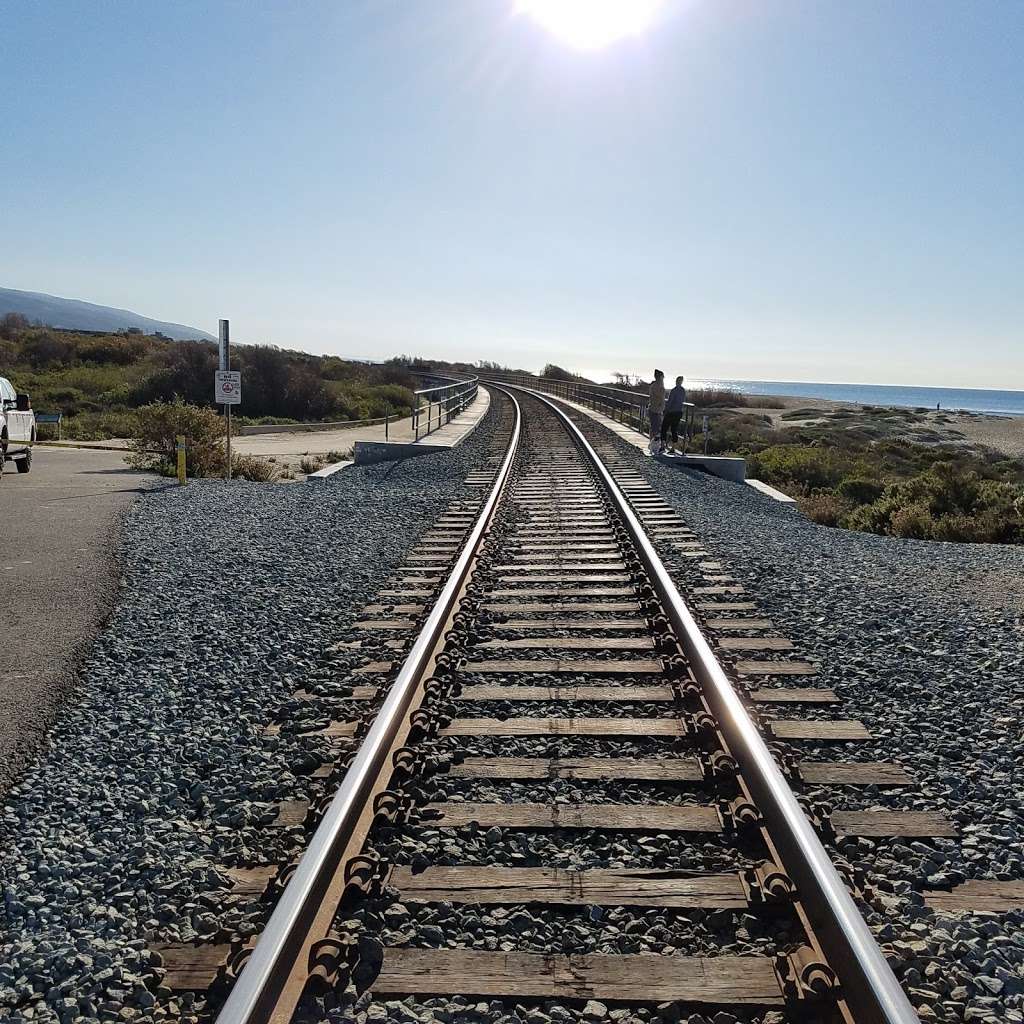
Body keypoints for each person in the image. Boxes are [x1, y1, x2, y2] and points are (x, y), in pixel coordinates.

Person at [662, 376, 687, 452]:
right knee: (674, 429)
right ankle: (673, 447)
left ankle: (662, 445)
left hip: (671, 412)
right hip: (678, 412)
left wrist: (665, 410)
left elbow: (670, 401)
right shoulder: (683, 390)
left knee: (664, 428)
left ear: (676, 381)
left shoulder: (674, 390)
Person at [648, 369, 666, 454]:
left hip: (655, 409)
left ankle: (652, 445)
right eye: (662, 377)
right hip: (656, 410)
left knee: (654, 428)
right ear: (660, 377)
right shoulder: (657, 386)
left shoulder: (654, 385)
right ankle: (654, 446)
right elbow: (660, 396)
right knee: (656, 429)